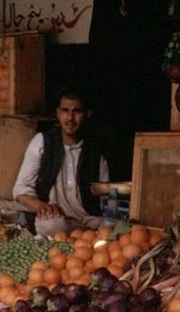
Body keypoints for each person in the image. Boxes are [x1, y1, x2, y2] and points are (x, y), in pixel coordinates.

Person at [12, 85, 110, 237]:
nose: (70, 118)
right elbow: (20, 190)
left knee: (113, 227)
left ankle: (84, 234)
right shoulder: (42, 142)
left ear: (87, 114)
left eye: (77, 111)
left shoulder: (95, 151)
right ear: (57, 113)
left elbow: (105, 195)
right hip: (57, 221)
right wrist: (41, 207)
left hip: (87, 220)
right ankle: (83, 235)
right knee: (51, 226)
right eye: (65, 111)